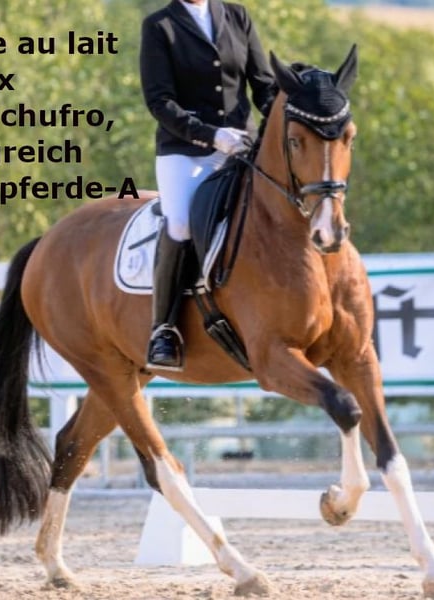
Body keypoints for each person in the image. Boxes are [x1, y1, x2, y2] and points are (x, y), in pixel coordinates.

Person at [140, 0, 275, 371]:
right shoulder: (160, 26)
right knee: (181, 223)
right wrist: (211, 135)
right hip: (186, 150)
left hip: (242, 145)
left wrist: (285, 115)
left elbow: (263, 85)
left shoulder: (237, 16)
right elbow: (160, 102)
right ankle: (164, 329)